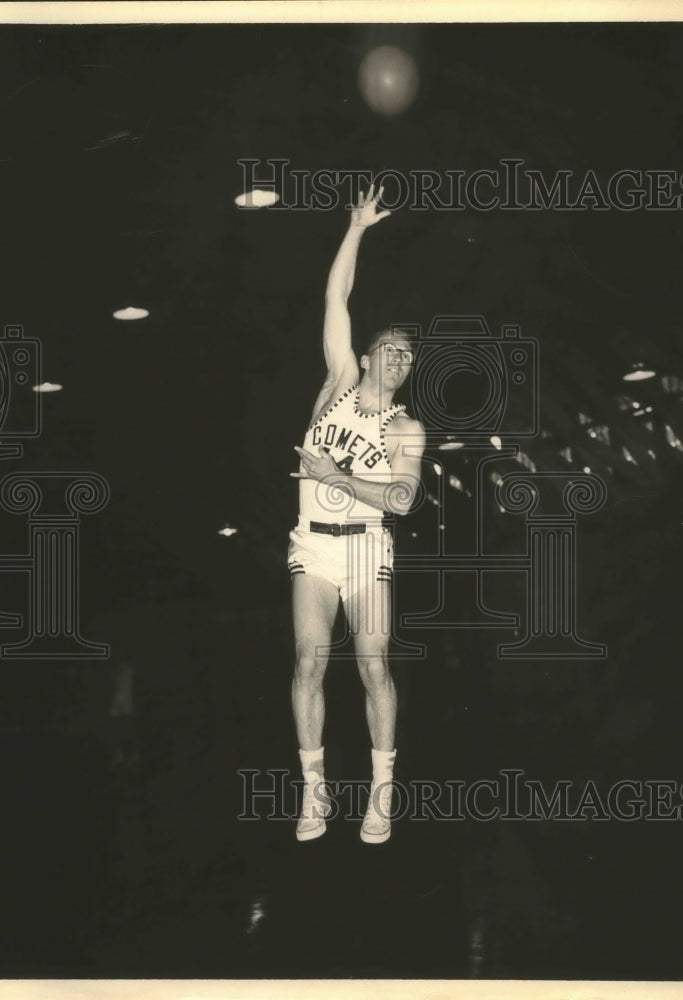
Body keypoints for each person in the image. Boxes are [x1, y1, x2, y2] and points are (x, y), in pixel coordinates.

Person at [289, 184, 426, 844]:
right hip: (313, 547)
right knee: (308, 664)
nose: (398, 360)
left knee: (374, 667)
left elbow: (401, 501)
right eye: (390, 349)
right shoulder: (338, 382)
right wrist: (357, 229)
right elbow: (335, 299)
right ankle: (314, 794)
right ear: (368, 356)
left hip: (369, 548)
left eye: (409, 355)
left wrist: (336, 475)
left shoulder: (407, 430)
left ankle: (382, 793)